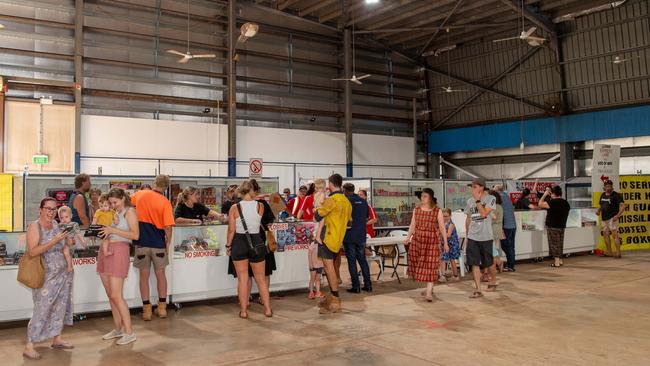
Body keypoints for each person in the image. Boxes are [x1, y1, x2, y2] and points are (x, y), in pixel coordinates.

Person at [22, 198, 74, 360]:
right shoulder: (34, 226)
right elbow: (33, 251)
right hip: (45, 275)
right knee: (42, 309)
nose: (51, 212)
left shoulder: (57, 225)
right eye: (48, 209)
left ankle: (56, 338)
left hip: (63, 273)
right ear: (40, 209)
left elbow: (64, 245)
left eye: (54, 209)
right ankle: (29, 345)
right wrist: (54, 241)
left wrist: (68, 245)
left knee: (60, 306)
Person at [97, 188, 139, 346]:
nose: (113, 205)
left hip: (120, 250)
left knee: (116, 295)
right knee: (111, 295)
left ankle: (130, 332)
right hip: (106, 250)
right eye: (111, 203)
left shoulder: (130, 212)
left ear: (123, 198)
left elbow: (135, 235)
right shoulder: (114, 213)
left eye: (115, 202)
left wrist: (112, 230)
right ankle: (118, 328)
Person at [226, 180, 273, 319]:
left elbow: (231, 230)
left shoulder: (234, 208)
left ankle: (244, 311)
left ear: (240, 191)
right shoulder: (260, 206)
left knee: (242, 279)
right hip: (257, 242)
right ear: (252, 191)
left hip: (239, 243)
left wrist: (228, 246)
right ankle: (268, 309)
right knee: (261, 280)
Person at [132, 175, 175, 321]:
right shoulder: (165, 202)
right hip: (158, 244)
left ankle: (146, 310)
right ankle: (162, 308)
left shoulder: (140, 194)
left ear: (154, 183)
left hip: (141, 242)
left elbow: (126, 204)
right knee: (160, 274)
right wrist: (167, 244)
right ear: (166, 187)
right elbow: (168, 227)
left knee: (144, 275)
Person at [314, 174, 352, 314]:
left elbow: (316, 217)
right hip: (338, 239)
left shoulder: (331, 200)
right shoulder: (346, 202)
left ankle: (335, 300)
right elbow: (349, 222)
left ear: (330, 184)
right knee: (331, 269)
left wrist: (319, 205)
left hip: (326, 238)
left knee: (329, 268)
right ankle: (333, 297)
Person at [405, 188, 448, 302]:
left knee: (431, 265)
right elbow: (412, 224)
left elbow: (442, 227)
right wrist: (408, 237)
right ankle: (430, 288)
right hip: (418, 241)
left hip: (432, 242)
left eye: (425, 196)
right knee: (419, 264)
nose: (422, 198)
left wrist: (446, 243)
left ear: (430, 198)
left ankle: (428, 292)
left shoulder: (437, 211)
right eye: (422, 196)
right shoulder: (417, 210)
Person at [465, 178, 497, 298]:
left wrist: (478, 200)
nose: (472, 189)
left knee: (488, 263)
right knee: (474, 263)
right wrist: (468, 235)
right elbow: (468, 218)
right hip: (473, 236)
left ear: (481, 187)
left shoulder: (491, 199)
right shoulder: (469, 201)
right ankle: (478, 289)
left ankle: (493, 281)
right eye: (472, 187)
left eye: (474, 187)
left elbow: (484, 214)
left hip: (486, 236)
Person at [342, 183, 372, 293]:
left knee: (352, 262)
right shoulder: (363, 202)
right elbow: (366, 218)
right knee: (363, 260)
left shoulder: (346, 201)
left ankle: (356, 286)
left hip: (349, 236)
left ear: (345, 190)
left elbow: (344, 218)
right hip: (361, 235)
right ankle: (368, 285)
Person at [538, 186, 571, 267]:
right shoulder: (565, 202)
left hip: (553, 226)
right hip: (562, 226)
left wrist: (545, 194)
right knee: (560, 243)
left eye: (551, 193)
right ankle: (560, 260)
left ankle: (556, 262)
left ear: (553, 193)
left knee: (554, 244)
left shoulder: (552, 202)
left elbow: (540, 204)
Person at [305, 179, 326, 299]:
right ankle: (316, 292)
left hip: (312, 243)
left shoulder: (315, 214)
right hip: (317, 243)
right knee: (318, 271)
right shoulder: (321, 216)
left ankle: (312, 292)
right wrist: (318, 237)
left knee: (313, 272)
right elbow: (319, 227)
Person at [597, 179, 625, 258]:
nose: (608, 188)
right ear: (604, 187)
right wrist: (598, 211)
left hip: (612, 218)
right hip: (604, 219)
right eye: (607, 186)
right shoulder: (602, 195)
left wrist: (618, 215)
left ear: (612, 187)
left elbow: (623, 206)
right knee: (605, 234)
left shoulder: (616, 195)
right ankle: (609, 251)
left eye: (610, 186)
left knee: (615, 235)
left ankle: (618, 253)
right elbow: (601, 205)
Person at [493, 184, 517, 272]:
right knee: (511, 246)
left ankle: (510, 265)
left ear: (497, 190)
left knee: (506, 246)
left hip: (506, 226)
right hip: (513, 225)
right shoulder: (507, 196)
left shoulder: (499, 198)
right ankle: (511, 264)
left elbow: (499, 213)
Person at [57, 206, 85, 273]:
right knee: (65, 251)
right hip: (64, 242)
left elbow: (78, 233)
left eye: (66, 217)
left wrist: (82, 240)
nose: (64, 219)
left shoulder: (74, 224)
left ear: (71, 216)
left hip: (74, 240)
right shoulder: (59, 225)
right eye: (62, 218)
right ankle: (69, 266)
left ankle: (78, 261)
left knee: (78, 249)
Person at [441, 208, 460, 280]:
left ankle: (455, 275)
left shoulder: (451, 224)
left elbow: (448, 235)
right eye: (443, 216)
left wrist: (441, 233)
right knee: (442, 258)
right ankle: (443, 274)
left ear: (450, 215)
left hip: (452, 244)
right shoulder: (443, 223)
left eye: (446, 216)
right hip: (446, 243)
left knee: (452, 260)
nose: (445, 218)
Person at [489, 190, 505, 275]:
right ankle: (498, 262)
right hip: (497, 230)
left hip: (493, 230)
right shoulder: (499, 206)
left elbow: (491, 218)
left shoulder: (494, 207)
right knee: (494, 250)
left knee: (492, 250)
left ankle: (497, 264)